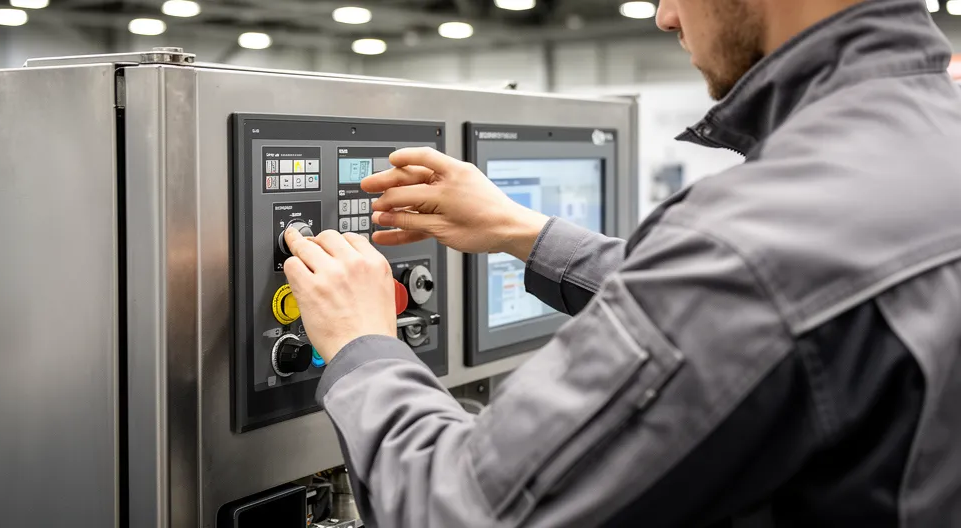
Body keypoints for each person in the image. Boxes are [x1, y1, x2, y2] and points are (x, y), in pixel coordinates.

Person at [281, 0, 961, 525]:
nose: (664, 15)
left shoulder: (758, 242)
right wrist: (526, 233)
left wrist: (363, 344)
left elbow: (462, 508)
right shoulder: (934, 139)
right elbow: (790, 315)